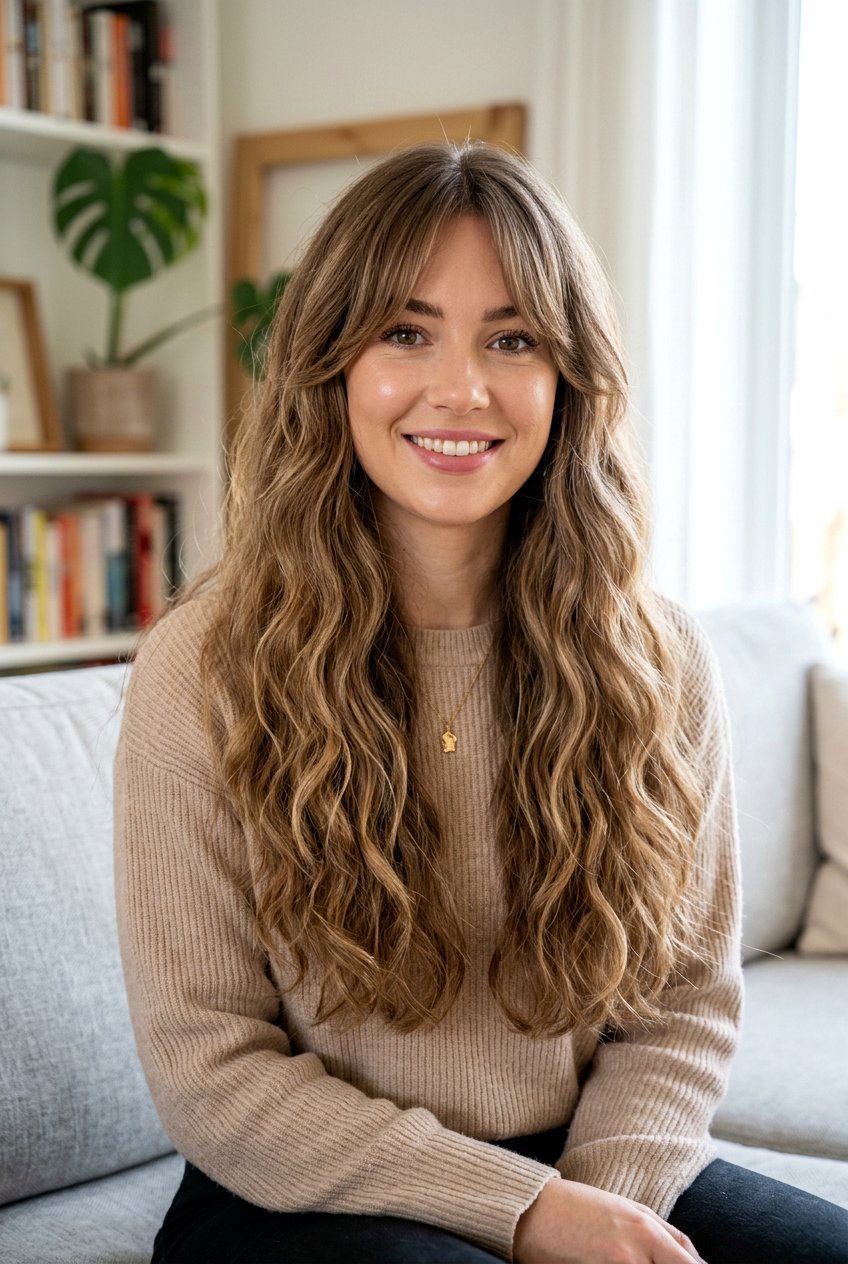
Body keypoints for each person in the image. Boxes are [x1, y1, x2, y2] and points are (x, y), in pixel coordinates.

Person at [113, 140, 848, 1264]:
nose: (460, 387)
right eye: (405, 332)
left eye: (510, 339)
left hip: (587, 1164)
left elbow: (682, 1007)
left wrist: (595, 1206)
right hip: (302, 1196)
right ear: (332, 365)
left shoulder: (657, 659)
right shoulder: (201, 669)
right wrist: (521, 1212)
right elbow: (213, 1072)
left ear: (567, 377)